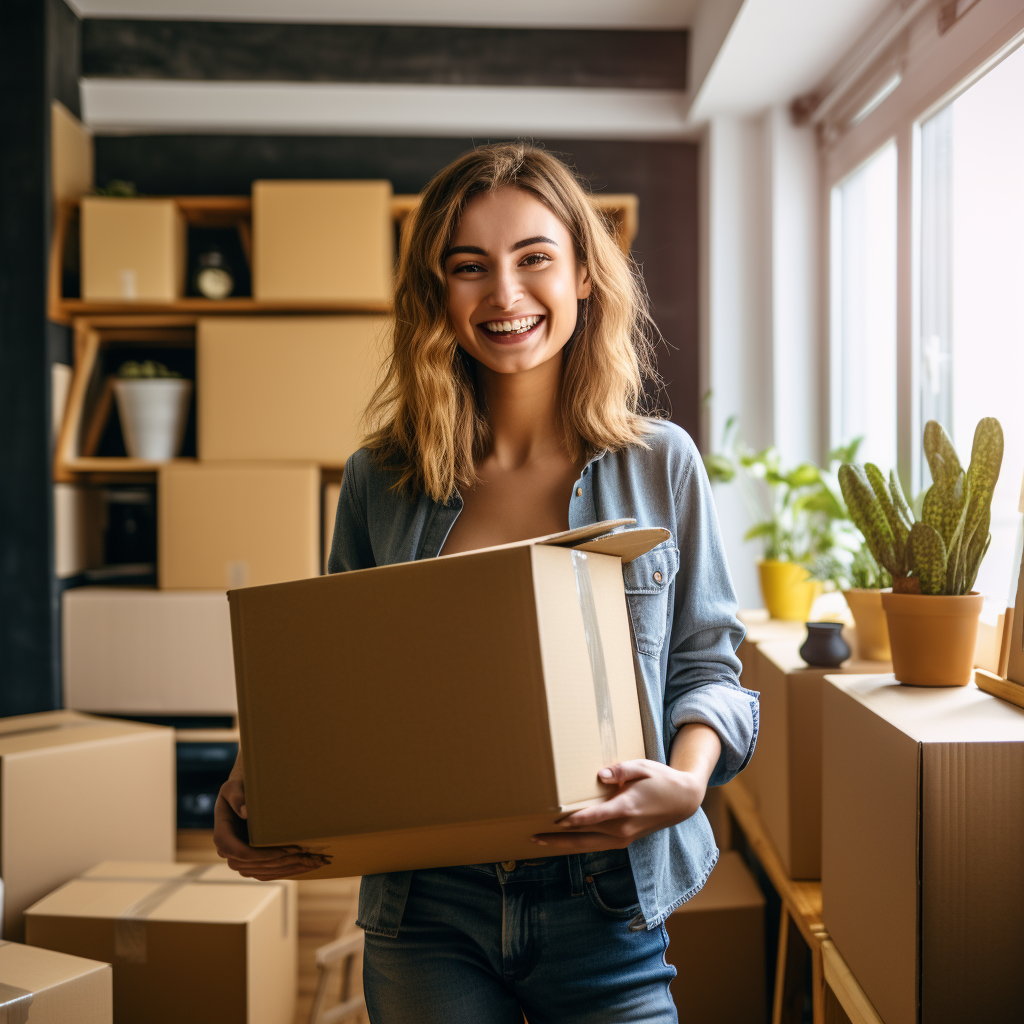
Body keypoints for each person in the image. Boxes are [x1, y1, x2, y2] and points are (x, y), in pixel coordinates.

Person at [214, 142, 758, 1023]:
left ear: (584, 273)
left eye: (534, 257)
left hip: (605, 902)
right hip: (427, 910)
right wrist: (257, 782)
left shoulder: (663, 463)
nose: (504, 295)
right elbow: (333, 684)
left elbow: (708, 667)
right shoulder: (379, 478)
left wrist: (687, 781)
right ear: (439, 294)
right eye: (469, 268)